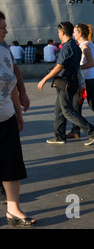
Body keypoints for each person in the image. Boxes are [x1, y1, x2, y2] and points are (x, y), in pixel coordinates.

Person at [37, 22, 94, 146]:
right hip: (69, 81)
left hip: (66, 82)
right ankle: (59, 136)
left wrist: (44, 79)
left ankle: (91, 131)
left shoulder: (67, 47)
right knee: (59, 109)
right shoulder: (75, 46)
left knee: (67, 110)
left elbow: (59, 67)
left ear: (62, 32)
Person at [0, 25, 36, 227]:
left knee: (11, 164)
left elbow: (11, 81)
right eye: (1, 27)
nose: (6, 31)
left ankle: (13, 208)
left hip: (6, 118)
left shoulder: (4, 50)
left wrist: (17, 111)